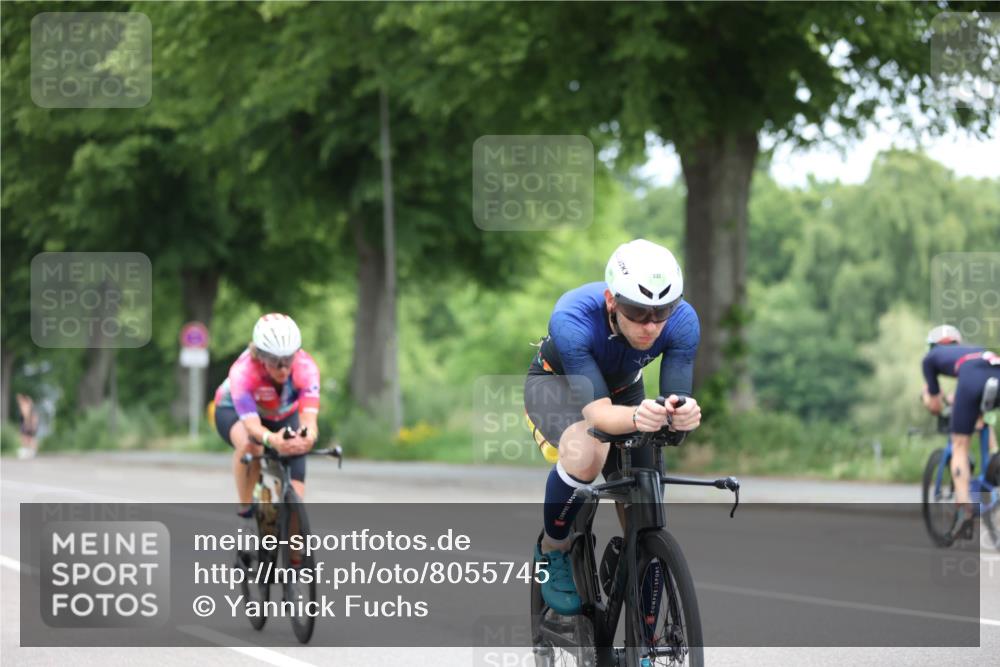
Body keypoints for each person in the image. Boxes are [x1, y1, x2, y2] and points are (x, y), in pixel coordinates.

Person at [525, 239, 702, 615]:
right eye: (637, 312)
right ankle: (553, 548)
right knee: (588, 453)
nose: (651, 326)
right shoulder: (572, 318)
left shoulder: (683, 321)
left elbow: (676, 398)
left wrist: (682, 412)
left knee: (645, 491)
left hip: (624, 391)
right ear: (612, 301)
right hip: (558, 386)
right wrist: (639, 416)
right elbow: (600, 415)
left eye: (662, 312)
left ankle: (638, 561)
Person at [212, 313, 321, 521]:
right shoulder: (243, 371)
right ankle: (246, 507)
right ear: (260, 355)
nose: (283, 368)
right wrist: (272, 439)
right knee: (252, 445)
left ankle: (292, 530)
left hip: (282, 413)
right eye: (274, 361)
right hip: (233, 411)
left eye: (288, 359)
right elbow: (252, 426)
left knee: (297, 449)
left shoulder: (306, 367)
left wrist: (308, 437)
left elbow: (309, 420)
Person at [921, 324, 1000, 540]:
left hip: (972, 379)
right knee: (981, 417)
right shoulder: (974, 350)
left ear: (932, 345)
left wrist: (926, 397)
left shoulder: (930, 359)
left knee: (959, 445)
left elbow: (936, 406)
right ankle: (995, 457)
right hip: (996, 371)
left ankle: (965, 508)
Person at [16, 393, 39, 459]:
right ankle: (32, 452)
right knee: (31, 437)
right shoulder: (30, 406)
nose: (18, 400)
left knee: (26, 437)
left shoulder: (25, 406)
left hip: (26, 424)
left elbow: (26, 416)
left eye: (19, 399)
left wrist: (27, 424)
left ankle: (28, 452)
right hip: (30, 424)